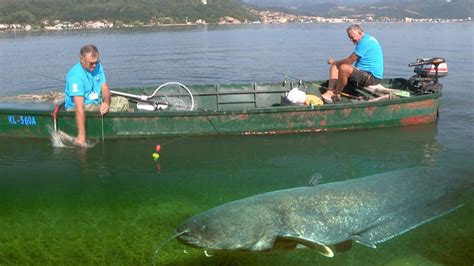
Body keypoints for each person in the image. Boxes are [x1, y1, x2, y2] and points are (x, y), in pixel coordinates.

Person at [321, 24, 384, 103]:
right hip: (363, 73)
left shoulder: (365, 42)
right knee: (335, 66)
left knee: (343, 68)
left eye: (352, 37)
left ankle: (337, 93)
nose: (351, 40)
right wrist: (335, 64)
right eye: (349, 38)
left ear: (360, 33)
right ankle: (329, 92)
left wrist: (334, 62)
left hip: (372, 77)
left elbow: (349, 61)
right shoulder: (366, 39)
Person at [65, 44, 111, 147]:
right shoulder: (75, 76)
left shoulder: (98, 66)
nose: (94, 66)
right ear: (82, 60)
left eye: (96, 62)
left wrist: (106, 103)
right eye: (91, 63)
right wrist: (81, 136)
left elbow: (104, 88)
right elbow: (79, 106)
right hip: (78, 106)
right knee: (116, 108)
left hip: (95, 101)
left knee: (122, 102)